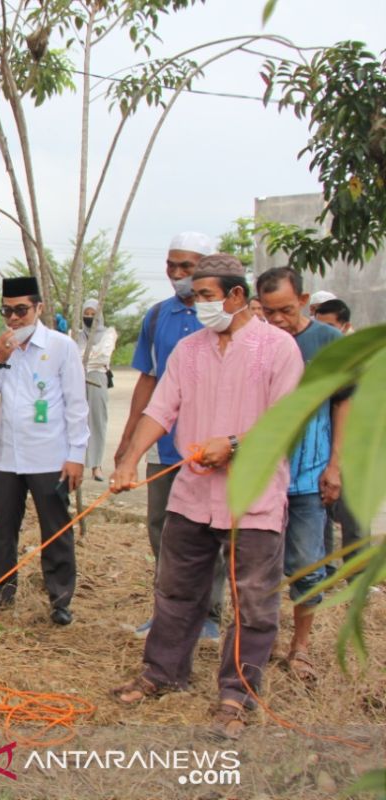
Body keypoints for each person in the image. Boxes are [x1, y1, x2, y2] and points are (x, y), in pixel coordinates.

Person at [109, 254, 303, 740]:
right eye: (195, 297)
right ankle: (163, 673)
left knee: (253, 601)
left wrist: (234, 445)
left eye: (206, 296)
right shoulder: (188, 351)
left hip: (252, 499)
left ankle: (236, 693)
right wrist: (130, 459)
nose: (197, 305)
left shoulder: (278, 349)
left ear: (237, 296)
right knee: (175, 591)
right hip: (192, 495)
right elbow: (160, 409)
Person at [115, 231, 225, 642]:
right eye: (171, 265)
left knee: (210, 527)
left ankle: (210, 614)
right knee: (162, 528)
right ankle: (168, 612)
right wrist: (129, 440)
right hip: (165, 443)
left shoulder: (220, 315)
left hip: (210, 447)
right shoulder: (158, 316)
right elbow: (148, 378)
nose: (177, 274)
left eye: (187, 267)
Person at [0, 276, 88, 625]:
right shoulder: (0, 347)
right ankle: (1, 595)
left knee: (55, 528)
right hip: (8, 456)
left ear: (38, 308)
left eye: (21, 310)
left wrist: (76, 454)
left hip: (49, 455)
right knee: (4, 529)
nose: (14, 318)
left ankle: (60, 599)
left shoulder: (61, 346)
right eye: (6, 311)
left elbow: (76, 405)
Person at [256, 267, 352, 683]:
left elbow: (342, 404)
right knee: (259, 568)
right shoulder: (257, 343)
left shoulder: (328, 341)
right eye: (269, 312)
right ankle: (262, 643)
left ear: (306, 300)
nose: (277, 320)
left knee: (306, 566)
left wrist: (335, 465)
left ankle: (300, 648)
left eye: (286, 311)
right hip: (261, 478)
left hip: (308, 477)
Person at [311, 297, 363, 574]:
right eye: (320, 326)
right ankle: (325, 569)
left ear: (345, 327)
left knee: (352, 514)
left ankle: (357, 575)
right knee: (321, 512)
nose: (324, 333)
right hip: (321, 446)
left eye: (330, 326)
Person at [76, 299, 117, 482]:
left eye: (93, 314)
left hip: (98, 378)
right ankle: (76, 463)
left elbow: (103, 356)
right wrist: (84, 357)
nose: (89, 317)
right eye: (87, 313)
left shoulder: (109, 333)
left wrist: (84, 357)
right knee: (77, 421)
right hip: (77, 380)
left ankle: (96, 465)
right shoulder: (76, 334)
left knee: (97, 421)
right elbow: (74, 356)